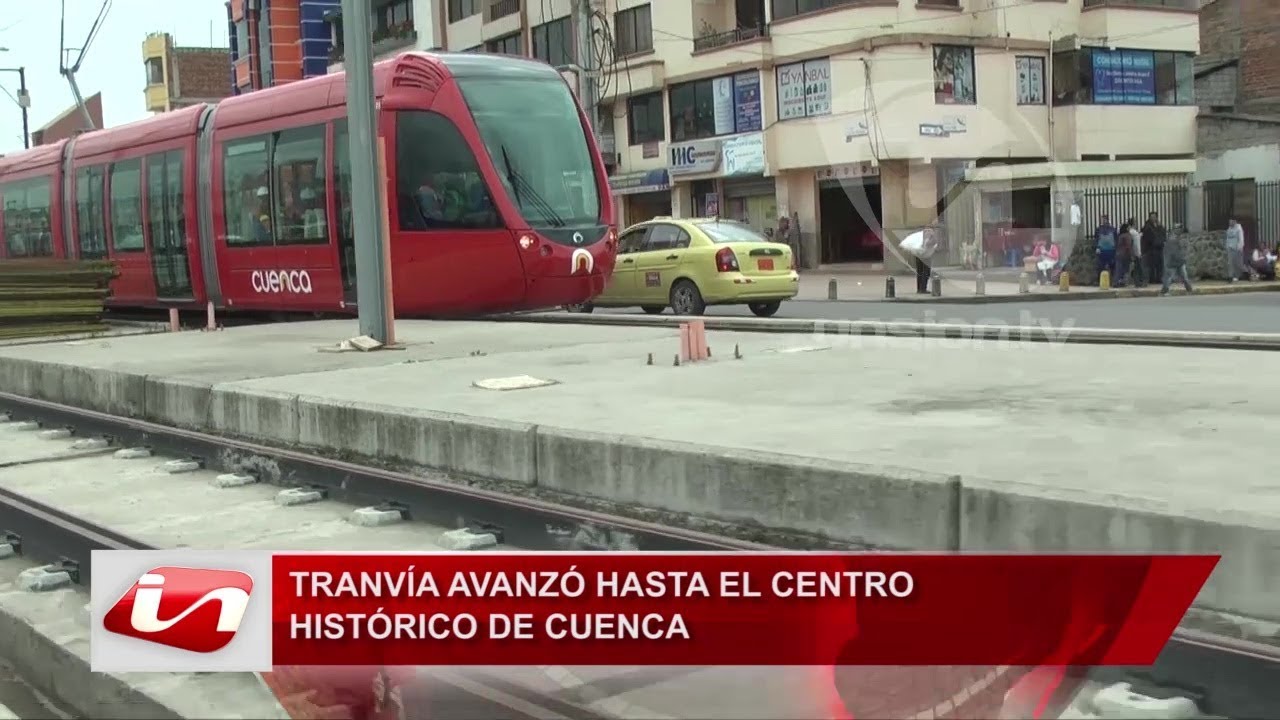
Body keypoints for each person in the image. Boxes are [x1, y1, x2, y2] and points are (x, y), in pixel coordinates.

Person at [1161, 227, 1193, 295]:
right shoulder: (1173, 240)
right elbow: (1174, 252)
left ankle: (1189, 290)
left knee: (1178, 277)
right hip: (1173, 261)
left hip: (1176, 261)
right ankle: (1164, 291)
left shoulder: (1174, 240)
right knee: (1171, 277)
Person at [1141, 212, 1166, 286]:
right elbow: (1147, 236)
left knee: (1159, 264)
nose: (1153, 218)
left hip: (1159, 247)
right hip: (1151, 248)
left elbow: (1162, 234)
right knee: (1152, 265)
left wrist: (1159, 226)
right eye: (1152, 217)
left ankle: (1159, 278)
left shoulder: (1159, 225)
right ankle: (1152, 279)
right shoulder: (1148, 226)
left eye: (1154, 217)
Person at [1094, 214, 1117, 280]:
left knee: (1110, 266)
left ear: (1107, 220)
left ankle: (1111, 279)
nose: (1103, 221)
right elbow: (1096, 239)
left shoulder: (1110, 229)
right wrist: (1097, 247)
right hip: (1104, 250)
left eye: (1104, 219)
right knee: (1101, 266)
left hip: (1109, 250)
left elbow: (1116, 239)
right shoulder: (1101, 229)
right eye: (1102, 219)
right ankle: (1101, 280)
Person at [1224, 218, 1246, 282]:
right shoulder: (1229, 229)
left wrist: (1240, 247)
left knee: (1237, 263)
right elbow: (1227, 238)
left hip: (1236, 248)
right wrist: (1227, 246)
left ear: (1234, 222)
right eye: (1229, 222)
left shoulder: (1238, 229)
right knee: (1230, 263)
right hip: (1230, 248)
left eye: (1231, 222)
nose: (1230, 223)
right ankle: (1230, 276)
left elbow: (1241, 238)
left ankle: (1237, 276)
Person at [1115, 220, 1133, 286]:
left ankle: (1117, 281)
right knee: (1125, 269)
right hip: (1126, 254)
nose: (1129, 228)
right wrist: (1131, 255)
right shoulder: (1128, 235)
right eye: (1128, 227)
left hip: (1118, 254)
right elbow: (1128, 246)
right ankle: (1123, 282)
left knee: (1118, 269)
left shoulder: (1120, 235)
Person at [1127, 219, 1144, 287]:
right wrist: (1139, 253)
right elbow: (1136, 244)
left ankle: (1136, 282)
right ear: (1133, 224)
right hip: (1136, 253)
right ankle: (1138, 282)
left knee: (1134, 268)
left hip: (1132, 252)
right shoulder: (1134, 232)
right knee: (1137, 269)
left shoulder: (1129, 232)